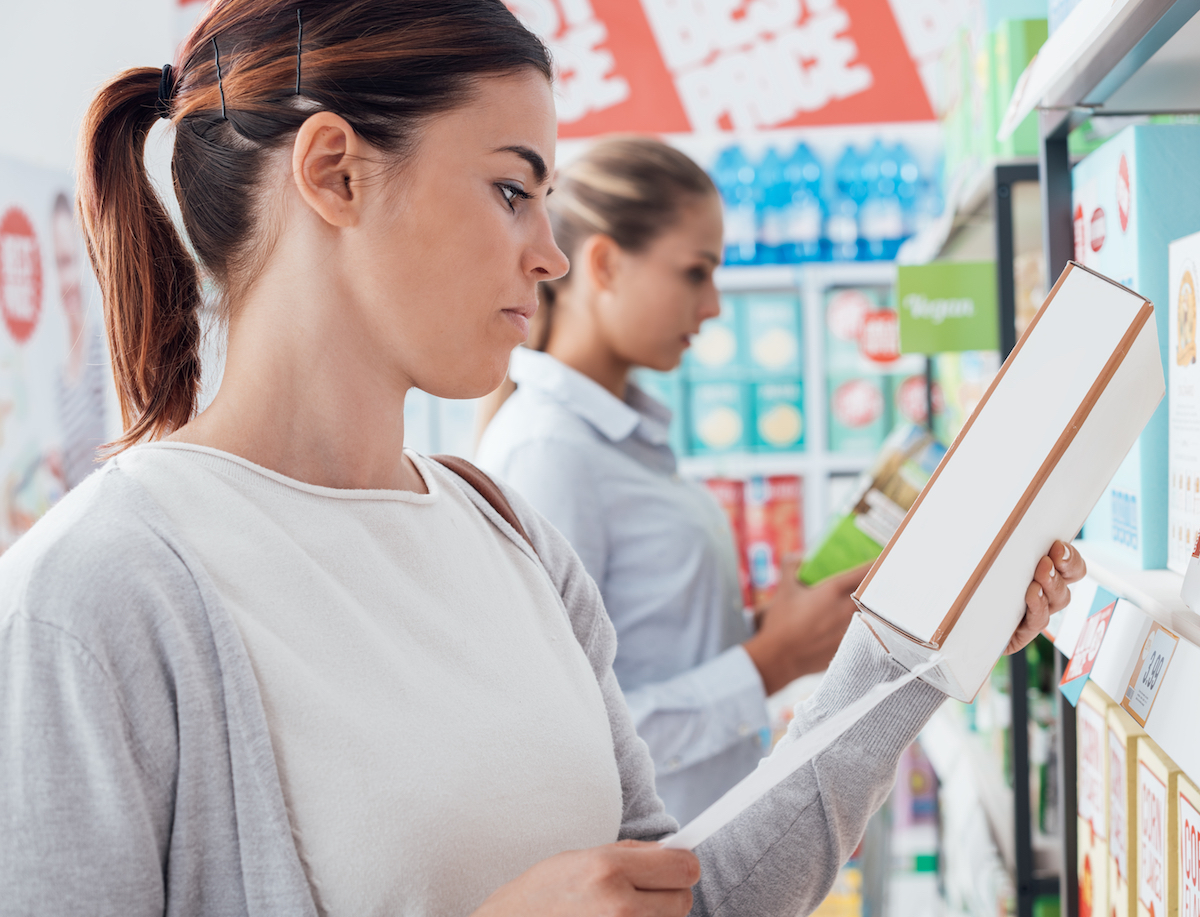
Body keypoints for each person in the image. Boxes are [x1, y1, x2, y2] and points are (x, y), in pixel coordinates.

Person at [0, 2, 1079, 916]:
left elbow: (683, 891)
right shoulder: (98, 593)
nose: (552, 253)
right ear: (334, 172)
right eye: (514, 190)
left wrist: (910, 654)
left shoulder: (510, 536)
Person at [477, 136, 866, 822]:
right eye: (696, 272)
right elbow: (565, 737)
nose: (713, 305)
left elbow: (639, 650)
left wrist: (764, 627)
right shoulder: (549, 452)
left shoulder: (618, 439)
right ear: (603, 264)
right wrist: (769, 659)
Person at [51, 191, 108, 489]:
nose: (67, 277)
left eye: (71, 260)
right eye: (59, 263)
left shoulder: (103, 351)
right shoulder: (58, 378)